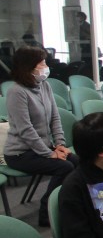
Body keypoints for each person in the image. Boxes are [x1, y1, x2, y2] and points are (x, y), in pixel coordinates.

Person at [4, 46, 78, 227]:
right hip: (20, 153)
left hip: (43, 147)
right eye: (42, 63)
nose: (46, 67)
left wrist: (60, 144)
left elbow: (55, 117)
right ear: (28, 67)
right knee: (64, 167)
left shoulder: (44, 85)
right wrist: (50, 153)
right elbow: (26, 130)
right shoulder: (16, 92)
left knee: (77, 161)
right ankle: (47, 212)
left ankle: (71, 206)